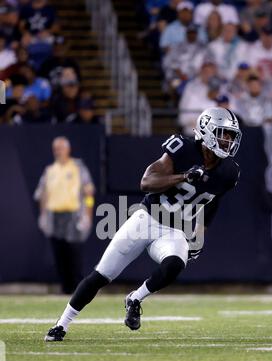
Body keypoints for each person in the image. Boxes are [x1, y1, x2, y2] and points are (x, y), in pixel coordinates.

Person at [44, 107, 242, 341]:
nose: (227, 140)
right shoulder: (183, 149)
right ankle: (62, 324)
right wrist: (184, 176)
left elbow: (213, 199)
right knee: (101, 275)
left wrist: (201, 231)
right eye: (223, 134)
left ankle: (135, 298)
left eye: (230, 136)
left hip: (174, 229)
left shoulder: (229, 171)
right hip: (146, 219)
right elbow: (146, 182)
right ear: (207, 131)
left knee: (175, 265)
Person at [34, 137, 95, 294]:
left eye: (61, 148)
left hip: (73, 216)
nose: (58, 151)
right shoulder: (50, 171)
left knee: (74, 254)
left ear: (68, 149)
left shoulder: (78, 168)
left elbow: (88, 193)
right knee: (59, 255)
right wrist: (43, 215)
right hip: (54, 216)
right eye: (56, 148)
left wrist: (87, 214)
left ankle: (78, 291)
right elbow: (42, 195)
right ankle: (65, 290)